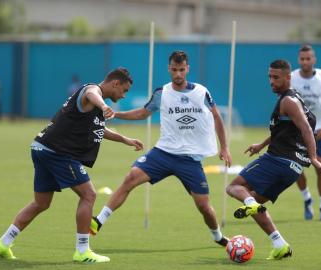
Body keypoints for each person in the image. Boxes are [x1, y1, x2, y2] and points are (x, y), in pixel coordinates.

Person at [0, 68, 144, 263]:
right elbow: (91, 93)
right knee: (89, 194)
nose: (123, 95)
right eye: (124, 90)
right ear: (115, 83)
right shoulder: (92, 91)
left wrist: (125, 139)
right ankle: (82, 250)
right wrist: (104, 106)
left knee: (41, 203)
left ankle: (3, 243)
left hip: (42, 148)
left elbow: (99, 129)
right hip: (57, 152)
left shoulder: (96, 106)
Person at [90, 50, 232, 247]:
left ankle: (218, 237)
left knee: (204, 207)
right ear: (169, 68)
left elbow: (217, 116)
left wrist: (224, 147)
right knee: (130, 178)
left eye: (182, 70)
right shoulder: (162, 93)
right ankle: (99, 220)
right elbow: (142, 113)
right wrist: (117, 114)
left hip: (189, 159)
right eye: (174, 70)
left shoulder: (201, 92)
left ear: (187, 68)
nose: (178, 74)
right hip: (163, 153)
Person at [226, 59, 321, 260]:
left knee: (234, 188)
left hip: (277, 160)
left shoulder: (288, 101)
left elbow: (307, 129)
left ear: (288, 77)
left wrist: (315, 160)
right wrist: (261, 145)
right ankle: (280, 244)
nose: (272, 81)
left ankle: (250, 203)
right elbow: (286, 131)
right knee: (254, 202)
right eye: (270, 77)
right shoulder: (295, 99)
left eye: (276, 77)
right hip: (293, 169)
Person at [291, 44, 321, 221]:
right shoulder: (293, 78)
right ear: (298, 60)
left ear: (314, 60)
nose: (305, 62)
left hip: (319, 129)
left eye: (308, 58)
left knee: (320, 166)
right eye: (302, 59)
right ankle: (307, 199)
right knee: (295, 167)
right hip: (299, 128)